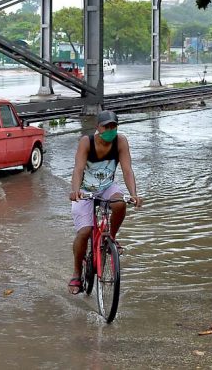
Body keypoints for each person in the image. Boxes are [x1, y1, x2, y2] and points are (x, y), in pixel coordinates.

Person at [67, 110, 142, 295]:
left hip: (107, 187)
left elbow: (127, 169)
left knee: (120, 204)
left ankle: (112, 238)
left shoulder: (120, 141)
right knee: (85, 231)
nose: (110, 130)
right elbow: (78, 169)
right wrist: (75, 191)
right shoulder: (87, 142)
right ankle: (77, 273)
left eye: (113, 126)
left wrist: (134, 194)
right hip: (85, 190)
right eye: (106, 126)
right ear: (97, 128)